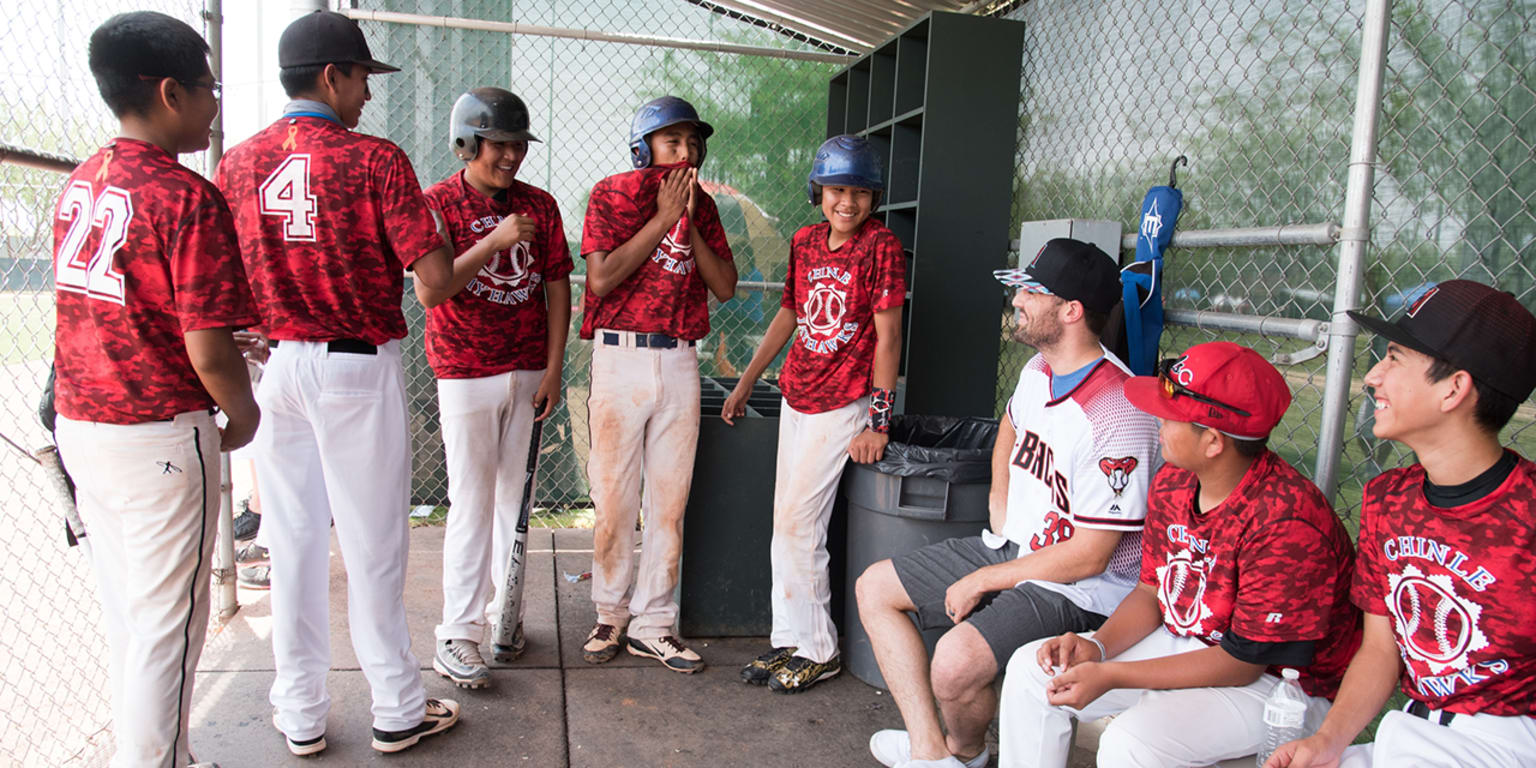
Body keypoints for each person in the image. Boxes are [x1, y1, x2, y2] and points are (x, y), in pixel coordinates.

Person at [214, 9, 462, 756]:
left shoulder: (237, 162)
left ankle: (300, 715)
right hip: (354, 366)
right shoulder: (374, 159)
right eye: (359, 77)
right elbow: (437, 282)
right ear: (330, 75)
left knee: (290, 545)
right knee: (373, 542)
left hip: (276, 366)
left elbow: (226, 289)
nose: (367, 93)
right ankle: (395, 707)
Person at [856, 238, 1160, 768]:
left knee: (953, 663)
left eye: (1031, 291)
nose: (1017, 300)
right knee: (874, 587)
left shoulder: (1119, 411)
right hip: (1018, 547)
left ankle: (965, 751)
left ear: (1071, 311)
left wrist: (984, 578)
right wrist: (1000, 498)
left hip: (1081, 586)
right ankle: (934, 754)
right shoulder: (1040, 368)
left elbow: (1090, 556)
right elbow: (1010, 426)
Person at [52, 12, 260, 767]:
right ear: (169, 92)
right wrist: (243, 412)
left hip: (86, 425)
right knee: (169, 630)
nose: (212, 104)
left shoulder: (83, 178)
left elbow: (138, 309)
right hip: (157, 433)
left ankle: (165, 753)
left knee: (134, 621)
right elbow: (207, 351)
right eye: (208, 89)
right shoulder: (184, 194)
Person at [1000, 341, 1362, 767]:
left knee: (1133, 742)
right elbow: (1151, 590)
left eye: (1170, 417)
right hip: (1190, 642)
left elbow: (1242, 664)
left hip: (1281, 688)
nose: (1156, 421)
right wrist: (1097, 649)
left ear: (1212, 441)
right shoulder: (1175, 479)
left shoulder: (1287, 521)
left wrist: (1112, 673)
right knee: (1032, 672)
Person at [1267, 280, 1536, 768]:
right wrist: (1327, 743)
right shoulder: (1389, 497)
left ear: (1455, 388)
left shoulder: (1529, 511)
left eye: (1394, 358)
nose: (1373, 377)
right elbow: (1380, 648)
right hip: (1417, 733)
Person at [723, 135, 906, 693]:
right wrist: (749, 378)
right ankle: (790, 641)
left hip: (844, 402)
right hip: (796, 393)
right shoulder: (805, 241)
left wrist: (879, 420)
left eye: (858, 191)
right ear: (818, 191)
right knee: (786, 524)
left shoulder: (883, 246)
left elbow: (889, 337)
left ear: (874, 196)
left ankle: (819, 648)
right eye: (835, 189)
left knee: (803, 526)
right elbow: (790, 313)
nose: (846, 202)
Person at [420, 87, 573, 689]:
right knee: (471, 502)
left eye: (517, 144)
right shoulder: (437, 203)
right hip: (465, 371)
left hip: (530, 369)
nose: (511, 155)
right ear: (467, 141)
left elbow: (557, 285)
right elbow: (432, 292)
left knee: (515, 501)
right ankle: (457, 636)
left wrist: (556, 367)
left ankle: (503, 617)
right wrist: (493, 241)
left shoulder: (540, 204)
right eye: (498, 144)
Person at [577, 95, 736, 674]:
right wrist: (663, 220)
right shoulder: (613, 192)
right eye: (672, 142)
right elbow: (600, 279)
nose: (686, 152)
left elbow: (724, 286)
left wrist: (689, 223)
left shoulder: (707, 206)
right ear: (643, 149)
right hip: (620, 355)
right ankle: (610, 613)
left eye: (693, 143)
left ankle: (654, 623)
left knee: (669, 502)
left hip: (679, 359)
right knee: (615, 497)